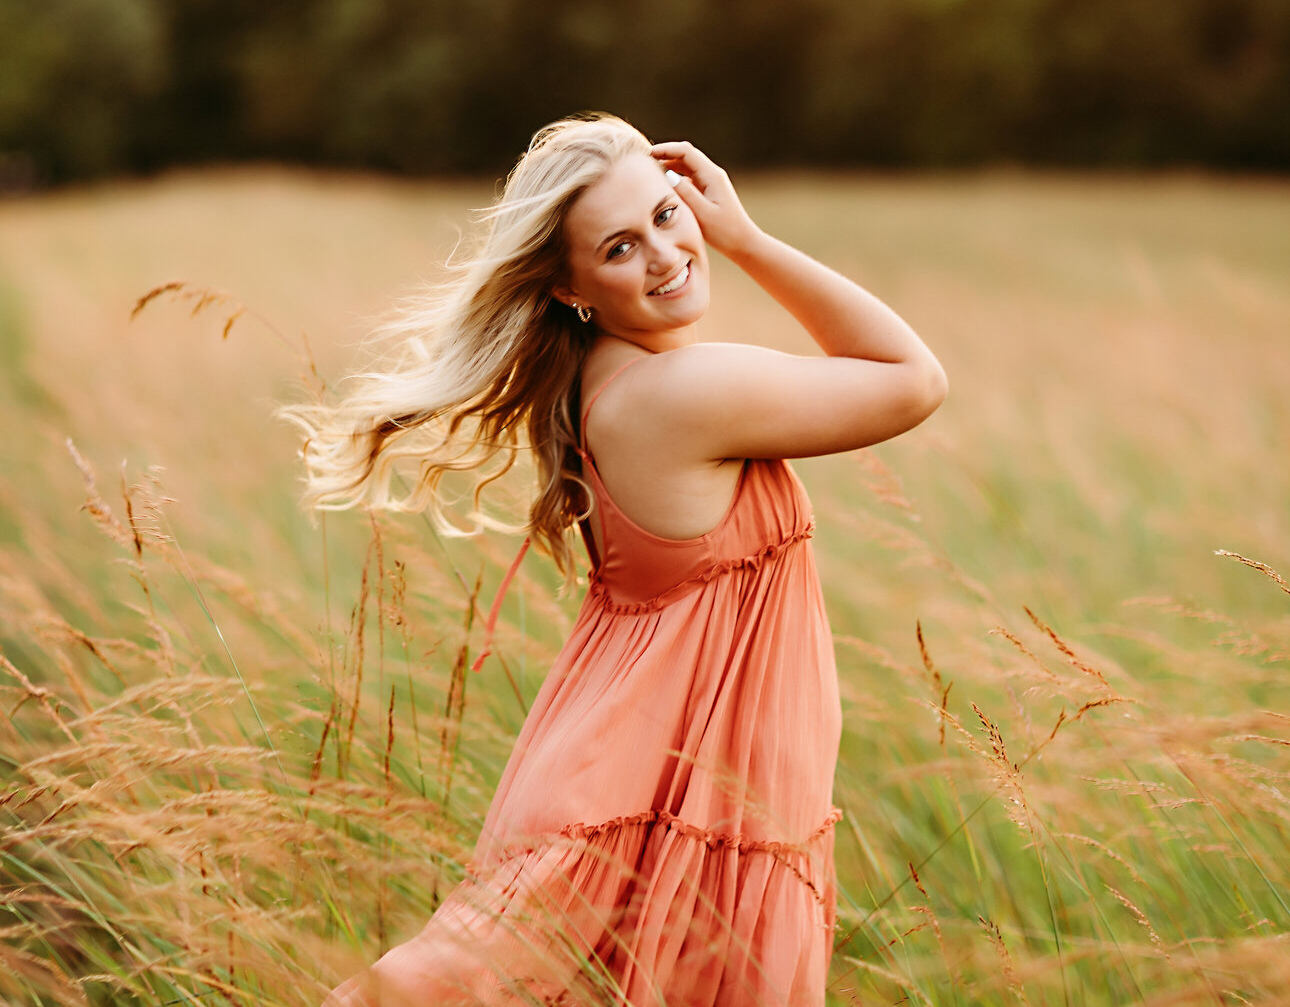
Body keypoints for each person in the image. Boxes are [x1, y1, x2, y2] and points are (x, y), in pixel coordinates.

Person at [298, 113, 947, 1006]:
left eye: (668, 215)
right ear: (571, 286)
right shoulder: (678, 393)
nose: (666, 254)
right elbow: (914, 378)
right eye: (620, 246)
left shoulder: (603, 375)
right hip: (671, 810)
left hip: (666, 798)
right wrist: (747, 239)